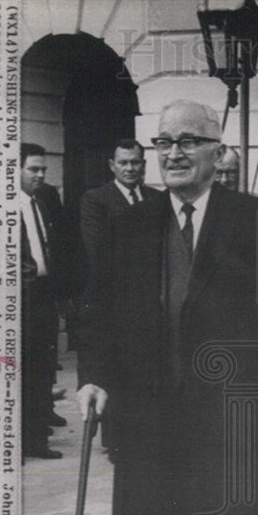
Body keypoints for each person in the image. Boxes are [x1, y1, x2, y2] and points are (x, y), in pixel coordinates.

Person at [77, 100, 258, 515]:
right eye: (163, 142)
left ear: (217, 151)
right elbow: (99, 311)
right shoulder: (131, 225)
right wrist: (94, 375)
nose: (173, 154)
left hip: (231, 421)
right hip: (153, 423)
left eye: (187, 141)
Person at [78, 139, 161, 452]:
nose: (130, 169)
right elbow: (97, 249)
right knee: (113, 366)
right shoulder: (96, 200)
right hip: (113, 298)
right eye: (124, 163)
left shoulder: (156, 198)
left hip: (151, 300)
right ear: (112, 165)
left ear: (144, 165)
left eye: (136, 162)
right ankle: (115, 440)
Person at [19, 142, 78, 459]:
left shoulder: (40, 202)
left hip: (44, 295)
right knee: (26, 370)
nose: (41, 175)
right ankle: (28, 439)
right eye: (34, 169)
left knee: (43, 367)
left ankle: (38, 435)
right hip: (21, 300)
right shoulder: (4, 208)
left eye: (43, 169)